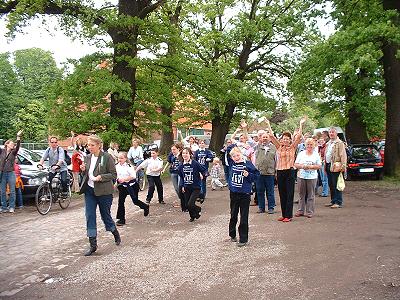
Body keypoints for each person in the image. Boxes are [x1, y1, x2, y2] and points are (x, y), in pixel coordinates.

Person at [79, 135, 121, 256]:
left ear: (99, 146)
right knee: (90, 215)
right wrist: (83, 170)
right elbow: (86, 174)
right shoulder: (87, 158)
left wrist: (101, 177)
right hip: (90, 191)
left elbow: (113, 174)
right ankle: (93, 244)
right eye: (88, 145)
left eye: (92, 145)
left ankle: (114, 231)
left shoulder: (106, 157)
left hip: (104, 192)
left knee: (105, 215)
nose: (90, 147)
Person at [266, 117, 306, 222]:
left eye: (287, 138)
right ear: (281, 139)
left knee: (289, 194)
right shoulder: (279, 147)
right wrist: (268, 123)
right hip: (280, 172)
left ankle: (289, 215)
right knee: (282, 193)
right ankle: (284, 215)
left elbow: (299, 137)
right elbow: (271, 136)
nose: (285, 140)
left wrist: (301, 124)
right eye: (284, 138)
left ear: (290, 140)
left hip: (289, 171)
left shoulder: (293, 147)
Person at [228, 147, 260, 247]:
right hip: (234, 193)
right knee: (233, 214)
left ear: (241, 154)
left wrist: (248, 175)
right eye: (234, 156)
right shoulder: (232, 163)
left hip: (244, 194)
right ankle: (232, 234)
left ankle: (243, 239)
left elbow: (257, 175)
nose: (236, 157)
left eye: (238, 155)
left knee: (244, 216)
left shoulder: (247, 163)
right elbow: (228, 149)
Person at [115, 152, 149, 226]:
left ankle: (145, 206)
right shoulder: (116, 166)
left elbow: (133, 176)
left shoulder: (129, 166)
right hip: (122, 186)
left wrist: (124, 179)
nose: (119, 159)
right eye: (118, 158)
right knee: (121, 202)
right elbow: (116, 176)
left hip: (132, 186)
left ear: (125, 159)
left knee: (135, 201)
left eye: (121, 158)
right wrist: (115, 183)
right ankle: (121, 219)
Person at [294, 138, 322, 218]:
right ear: (305, 145)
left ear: (314, 146)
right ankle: (300, 210)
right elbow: (296, 164)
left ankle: (310, 212)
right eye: (308, 144)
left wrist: (312, 166)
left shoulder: (316, 154)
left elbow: (319, 166)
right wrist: (302, 166)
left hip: (312, 177)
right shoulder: (301, 154)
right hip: (301, 176)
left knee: (311, 194)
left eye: (311, 144)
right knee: (301, 194)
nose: (309, 146)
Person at [178, 147, 207, 222]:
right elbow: (181, 177)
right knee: (187, 204)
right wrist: (183, 186)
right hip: (187, 186)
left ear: (190, 154)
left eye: (186, 153)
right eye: (183, 153)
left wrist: (203, 174)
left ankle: (198, 209)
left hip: (195, 187)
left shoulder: (195, 163)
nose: (185, 155)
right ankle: (193, 216)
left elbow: (203, 170)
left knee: (190, 203)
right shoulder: (181, 166)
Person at [254, 132, 277, 214]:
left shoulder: (274, 148)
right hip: (259, 173)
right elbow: (248, 140)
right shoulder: (257, 147)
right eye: (263, 137)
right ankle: (261, 207)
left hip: (270, 173)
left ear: (269, 138)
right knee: (260, 191)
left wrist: (275, 171)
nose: (265, 138)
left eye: (266, 137)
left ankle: (271, 207)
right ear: (260, 138)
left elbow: (276, 160)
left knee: (270, 192)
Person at [0, 130, 23, 213]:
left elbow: (18, 147)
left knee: (12, 191)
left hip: (11, 173)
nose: (13, 145)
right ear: (7, 144)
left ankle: (11, 206)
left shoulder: (13, 152)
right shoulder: (1, 151)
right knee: (2, 191)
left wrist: (18, 137)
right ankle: (3, 207)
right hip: (2, 173)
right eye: (11, 143)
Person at [324, 127, 347, 208]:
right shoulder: (328, 143)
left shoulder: (340, 143)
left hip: (336, 166)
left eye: (333, 132)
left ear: (336, 133)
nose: (331, 133)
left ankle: (338, 202)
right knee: (331, 184)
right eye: (330, 132)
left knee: (336, 184)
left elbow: (343, 155)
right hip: (328, 165)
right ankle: (333, 201)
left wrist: (343, 166)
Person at [163, 143, 186, 211]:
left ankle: (184, 201)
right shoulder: (171, 155)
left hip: (180, 173)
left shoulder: (182, 154)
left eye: (174, 149)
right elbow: (168, 162)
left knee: (180, 187)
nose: (172, 151)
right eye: (172, 149)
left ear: (178, 149)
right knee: (176, 188)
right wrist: (164, 169)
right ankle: (182, 199)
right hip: (173, 172)